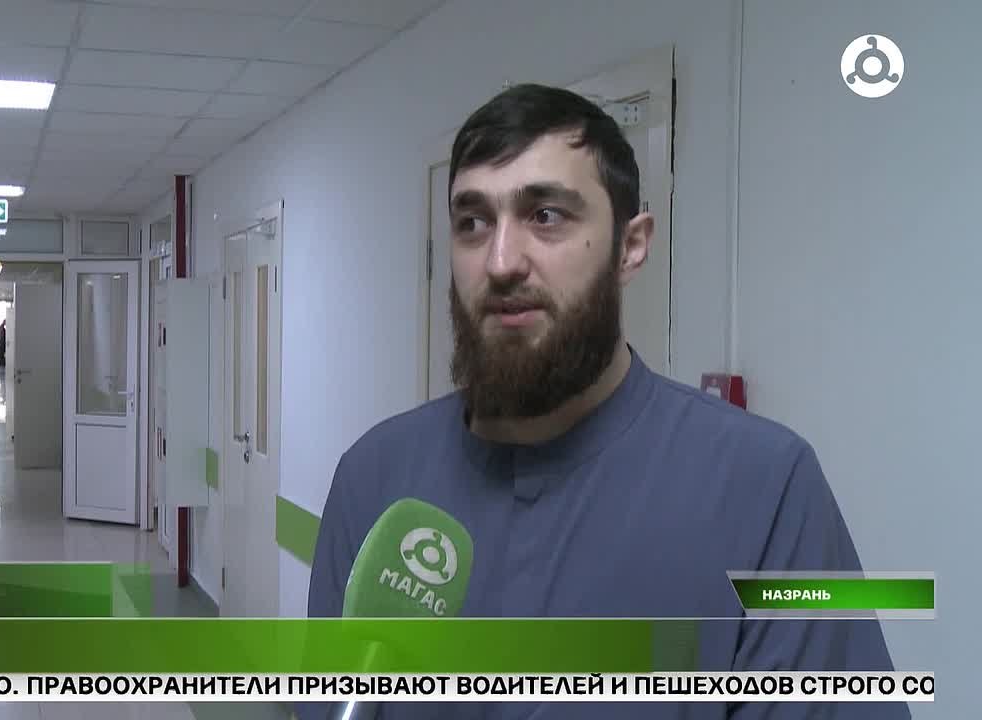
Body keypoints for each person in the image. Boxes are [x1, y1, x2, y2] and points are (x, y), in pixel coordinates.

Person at [303, 85, 907, 719]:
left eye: (546, 215)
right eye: (473, 223)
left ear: (631, 245)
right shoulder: (373, 477)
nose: (501, 262)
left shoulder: (767, 488)